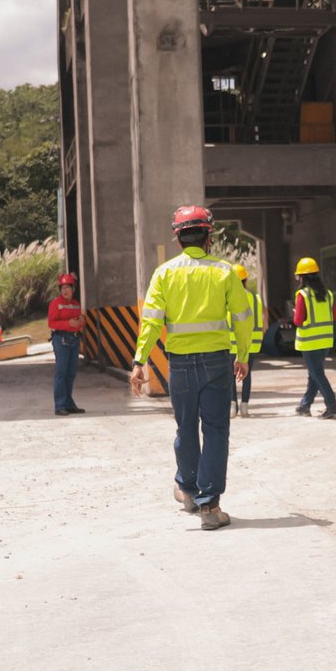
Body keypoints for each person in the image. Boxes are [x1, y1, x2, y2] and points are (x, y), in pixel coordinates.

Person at [130, 206, 251, 530]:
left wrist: (140, 360)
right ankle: (209, 506)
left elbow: (152, 321)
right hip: (216, 362)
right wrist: (243, 354)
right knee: (215, 431)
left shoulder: (165, 274)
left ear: (178, 238)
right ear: (208, 235)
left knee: (185, 428)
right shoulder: (224, 271)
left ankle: (186, 490)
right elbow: (243, 317)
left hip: (180, 365)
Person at [292, 257, 336, 419]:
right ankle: (305, 405)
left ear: (302, 277)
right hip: (326, 341)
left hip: (309, 342)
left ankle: (332, 406)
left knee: (317, 374)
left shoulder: (303, 295)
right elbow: (334, 316)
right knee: (314, 373)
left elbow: (298, 320)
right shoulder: (327, 294)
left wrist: (295, 314)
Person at [228, 263, 264, 418]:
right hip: (253, 343)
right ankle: (245, 406)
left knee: (231, 374)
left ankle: (232, 406)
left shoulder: (230, 297)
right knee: (247, 374)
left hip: (232, 342)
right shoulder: (256, 298)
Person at [47, 272, 85, 416]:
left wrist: (81, 321)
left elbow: (78, 321)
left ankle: (69, 403)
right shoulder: (55, 304)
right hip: (61, 340)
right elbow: (51, 323)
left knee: (71, 373)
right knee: (61, 373)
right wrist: (68, 323)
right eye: (63, 288)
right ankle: (60, 405)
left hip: (74, 339)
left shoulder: (76, 304)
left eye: (68, 287)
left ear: (73, 288)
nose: (65, 290)